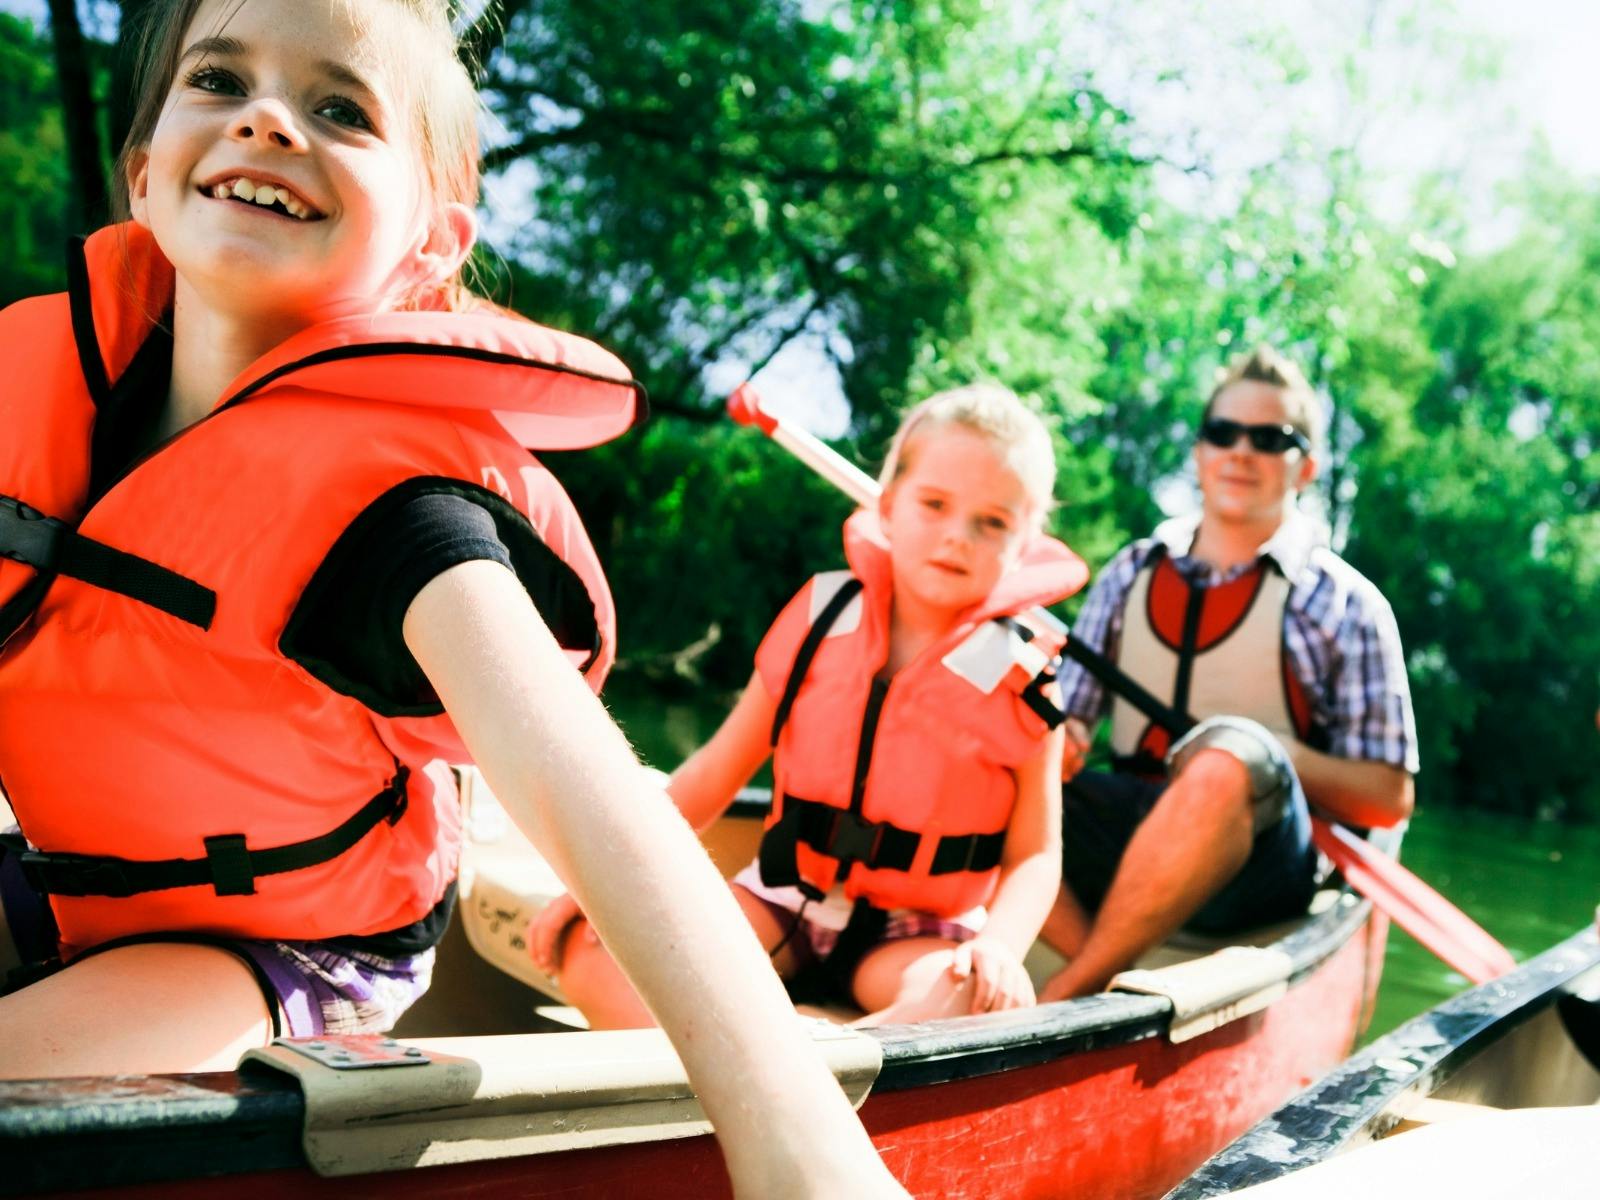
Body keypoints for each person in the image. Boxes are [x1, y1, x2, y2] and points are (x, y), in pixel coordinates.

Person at [0, 2, 908, 1194]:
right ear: (142, 170)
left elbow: (591, 805)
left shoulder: (403, 521)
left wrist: (802, 1148)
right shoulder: (44, 398)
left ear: (433, 235)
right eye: (220, 79)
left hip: (271, 949)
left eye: (340, 109)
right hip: (64, 877)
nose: (268, 119)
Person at [532, 384, 1085, 1028]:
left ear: (1025, 544)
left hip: (918, 934)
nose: (957, 537)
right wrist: (597, 884)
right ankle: (790, 1053)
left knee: (964, 1004)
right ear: (887, 506)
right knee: (589, 947)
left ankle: (787, 1059)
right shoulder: (821, 620)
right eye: (934, 504)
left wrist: (1001, 948)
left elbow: (1037, 855)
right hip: (785, 900)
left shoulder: (1023, 677)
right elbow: (713, 775)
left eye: (992, 522)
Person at [1039, 347, 1419, 1001]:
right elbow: (1066, 718)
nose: (1241, 451)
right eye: (1224, 433)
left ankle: (1076, 989)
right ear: (1198, 452)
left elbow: (1388, 797)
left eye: (1271, 439)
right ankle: (1095, 949)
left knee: (1228, 761)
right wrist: (1056, 744)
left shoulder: (1347, 604)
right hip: (1130, 826)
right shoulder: (1132, 571)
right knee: (1000, 751)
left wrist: (1273, 756)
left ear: (1307, 467)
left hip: (1260, 864)